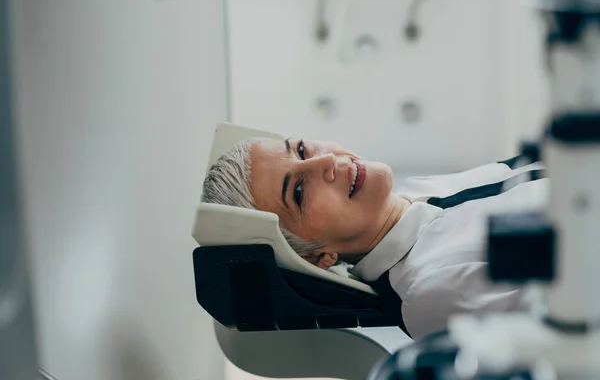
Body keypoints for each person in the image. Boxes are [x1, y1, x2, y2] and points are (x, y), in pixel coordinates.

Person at [201, 137, 547, 338]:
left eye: (303, 149)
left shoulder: (414, 194)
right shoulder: (427, 291)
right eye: (300, 192)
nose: (326, 161)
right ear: (319, 257)